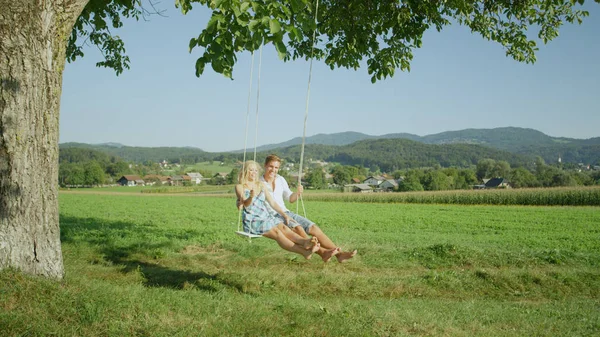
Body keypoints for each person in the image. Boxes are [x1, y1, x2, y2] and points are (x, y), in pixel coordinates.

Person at [260, 154, 357, 263]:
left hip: (286, 212)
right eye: (271, 166)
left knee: (313, 228)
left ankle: (339, 255)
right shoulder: (259, 183)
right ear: (265, 166)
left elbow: (290, 199)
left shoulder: (280, 179)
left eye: (276, 167)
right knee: (298, 229)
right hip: (273, 216)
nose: (273, 170)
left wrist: (297, 193)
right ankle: (323, 253)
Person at [235, 160, 339, 261]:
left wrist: (284, 215)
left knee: (284, 228)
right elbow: (246, 204)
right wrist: (251, 197)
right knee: (277, 233)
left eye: (255, 170)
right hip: (253, 220)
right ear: (245, 171)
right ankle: (304, 251)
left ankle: (305, 242)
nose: (253, 173)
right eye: (250, 170)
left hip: (266, 216)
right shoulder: (240, 187)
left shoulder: (260, 185)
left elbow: (273, 203)